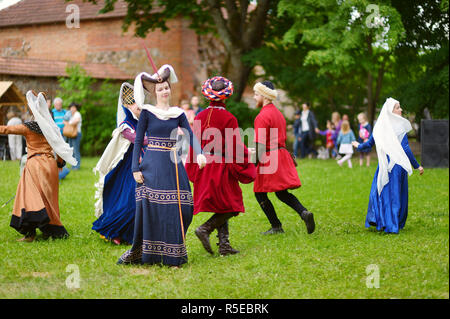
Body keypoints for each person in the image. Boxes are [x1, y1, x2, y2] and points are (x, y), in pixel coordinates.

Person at [117, 64, 206, 267]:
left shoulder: (178, 113)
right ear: (154, 92)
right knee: (152, 208)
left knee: (181, 207)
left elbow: (191, 135)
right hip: (150, 166)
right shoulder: (147, 112)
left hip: (172, 166)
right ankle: (149, 253)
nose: (164, 91)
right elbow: (138, 141)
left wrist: (199, 154)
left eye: (166, 87)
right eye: (160, 89)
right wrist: (134, 169)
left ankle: (174, 253)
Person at [185, 76, 256, 256]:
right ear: (225, 97)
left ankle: (224, 245)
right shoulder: (228, 117)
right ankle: (205, 229)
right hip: (220, 166)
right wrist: (248, 156)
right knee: (233, 205)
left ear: (208, 96)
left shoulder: (200, 116)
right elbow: (235, 146)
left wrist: (193, 167)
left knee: (222, 205)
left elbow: (194, 144)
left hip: (204, 165)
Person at [0, 91, 77, 242]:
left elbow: (7, 129)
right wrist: (60, 164)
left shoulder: (29, 127)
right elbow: (60, 147)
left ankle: (30, 234)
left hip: (35, 165)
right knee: (49, 199)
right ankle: (51, 231)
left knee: (31, 198)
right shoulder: (52, 127)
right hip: (50, 165)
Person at [251, 81, 315, 235]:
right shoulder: (278, 114)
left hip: (269, 157)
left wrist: (251, 166)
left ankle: (276, 226)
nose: (254, 97)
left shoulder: (262, 116)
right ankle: (304, 212)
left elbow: (260, 145)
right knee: (281, 193)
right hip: (281, 154)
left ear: (265, 96)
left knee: (259, 192)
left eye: (256, 94)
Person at [352, 98, 424, 234]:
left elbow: (368, 144)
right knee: (393, 195)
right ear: (391, 111)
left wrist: (358, 146)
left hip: (390, 167)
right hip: (394, 166)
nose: (401, 109)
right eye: (397, 107)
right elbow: (406, 148)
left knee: (384, 193)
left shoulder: (382, 126)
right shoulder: (387, 126)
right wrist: (416, 166)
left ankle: (387, 222)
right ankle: (390, 223)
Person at [92, 83, 148, 245]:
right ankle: (116, 231)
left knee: (144, 201)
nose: (137, 106)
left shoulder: (143, 121)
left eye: (138, 102)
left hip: (145, 166)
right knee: (130, 201)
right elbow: (141, 140)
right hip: (128, 170)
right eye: (132, 103)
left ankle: (140, 233)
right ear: (126, 106)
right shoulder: (125, 126)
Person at [64, 102, 82, 170]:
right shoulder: (70, 115)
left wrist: (68, 123)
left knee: (76, 150)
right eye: (71, 107)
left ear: (76, 108)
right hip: (70, 134)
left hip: (76, 134)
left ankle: (77, 165)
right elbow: (64, 121)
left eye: (74, 107)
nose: (72, 109)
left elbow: (76, 122)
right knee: (72, 150)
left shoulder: (77, 114)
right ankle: (74, 165)